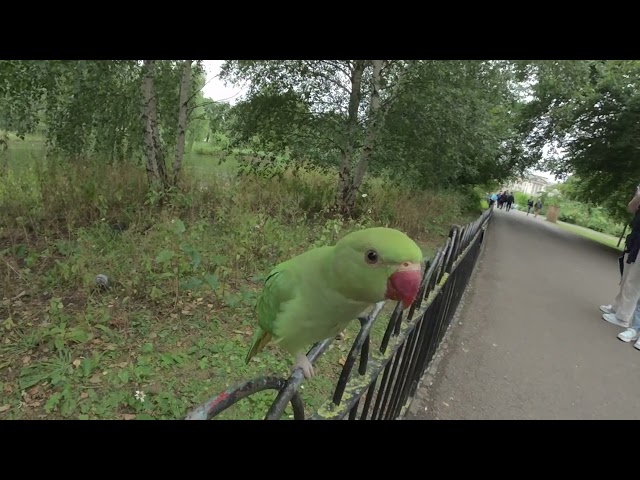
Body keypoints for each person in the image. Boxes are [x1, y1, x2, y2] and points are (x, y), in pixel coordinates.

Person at [600, 187, 640, 329]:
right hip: (635, 238)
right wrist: (638, 196)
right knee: (626, 277)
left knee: (634, 282)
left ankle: (623, 318)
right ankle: (617, 307)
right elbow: (631, 208)